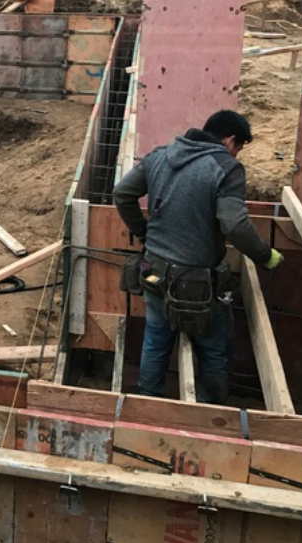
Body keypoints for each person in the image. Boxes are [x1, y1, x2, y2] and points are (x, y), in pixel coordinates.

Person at [112, 110, 284, 405]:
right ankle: (210, 413)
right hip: (198, 285)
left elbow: (122, 193)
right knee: (214, 347)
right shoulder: (227, 169)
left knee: (156, 337)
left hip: (154, 272)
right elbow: (234, 224)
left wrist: (145, 234)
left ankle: (147, 402)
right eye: (239, 148)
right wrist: (264, 255)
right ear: (230, 140)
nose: (237, 155)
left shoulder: (161, 155)